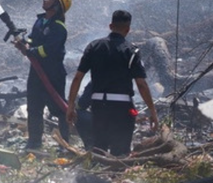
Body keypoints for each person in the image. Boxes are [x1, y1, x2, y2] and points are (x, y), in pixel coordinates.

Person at [66, 10, 159, 157]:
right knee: (121, 151)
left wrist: (71, 105)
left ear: (110, 26)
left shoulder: (93, 46)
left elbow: (77, 78)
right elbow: (141, 84)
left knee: (99, 148)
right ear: (128, 30)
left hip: (98, 106)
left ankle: (94, 177)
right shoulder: (132, 51)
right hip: (123, 108)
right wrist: (152, 111)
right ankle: (116, 176)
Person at [14, 0, 72, 150]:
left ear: (57, 5)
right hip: (36, 73)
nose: (44, 0)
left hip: (53, 74)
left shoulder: (59, 28)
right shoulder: (40, 22)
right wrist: (24, 43)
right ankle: (34, 143)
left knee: (59, 109)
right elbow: (33, 39)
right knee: (33, 107)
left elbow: (49, 49)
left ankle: (64, 144)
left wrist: (30, 51)